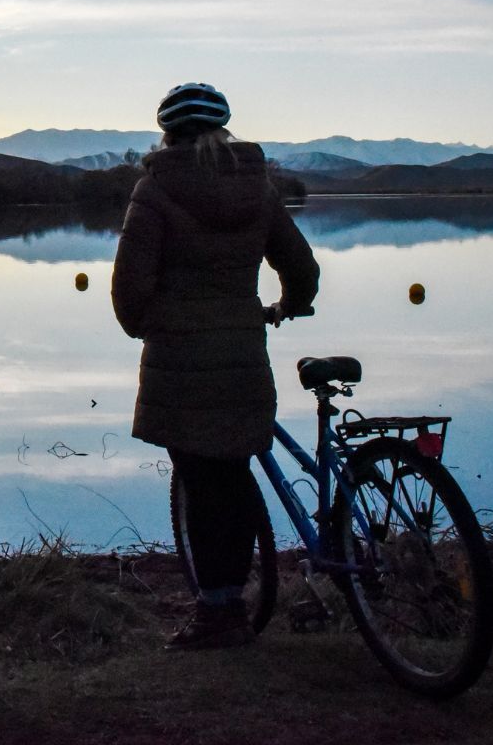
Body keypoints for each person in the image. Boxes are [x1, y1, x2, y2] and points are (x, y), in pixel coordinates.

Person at [111, 82, 319, 649]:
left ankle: (218, 612)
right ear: (223, 129)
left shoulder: (154, 191)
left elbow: (128, 291)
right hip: (244, 352)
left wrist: (147, 326)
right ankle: (232, 602)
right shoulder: (259, 188)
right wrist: (287, 308)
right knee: (230, 475)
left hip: (181, 359)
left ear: (168, 132)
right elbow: (301, 270)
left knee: (202, 483)